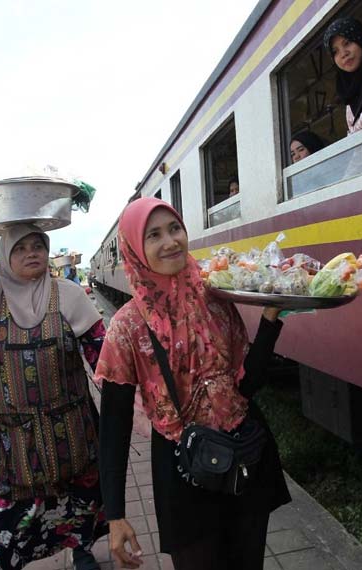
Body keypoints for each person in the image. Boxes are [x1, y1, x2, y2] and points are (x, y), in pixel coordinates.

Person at [94, 197, 290, 570]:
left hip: (246, 456)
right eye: (154, 235)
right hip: (183, 472)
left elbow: (246, 387)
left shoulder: (215, 298)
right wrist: (115, 515)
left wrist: (271, 319)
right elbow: (113, 428)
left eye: (175, 229)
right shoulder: (127, 327)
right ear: (135, 249)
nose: (170, 242)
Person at [0, 180, 108, 570]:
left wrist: (133, 405)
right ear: (4, 255)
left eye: (38, 245)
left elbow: (104, 359)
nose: (32, 253)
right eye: (21, 247)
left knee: (80, 503)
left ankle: (81, 546)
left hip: (72, 429)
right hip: (8, 440)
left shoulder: (69, 294)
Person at [323, 17, 362, 134]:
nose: (343, 54)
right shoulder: (348, 88)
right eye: (335, 52)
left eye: (347, 43)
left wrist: (353, 131)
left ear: (360, 39)